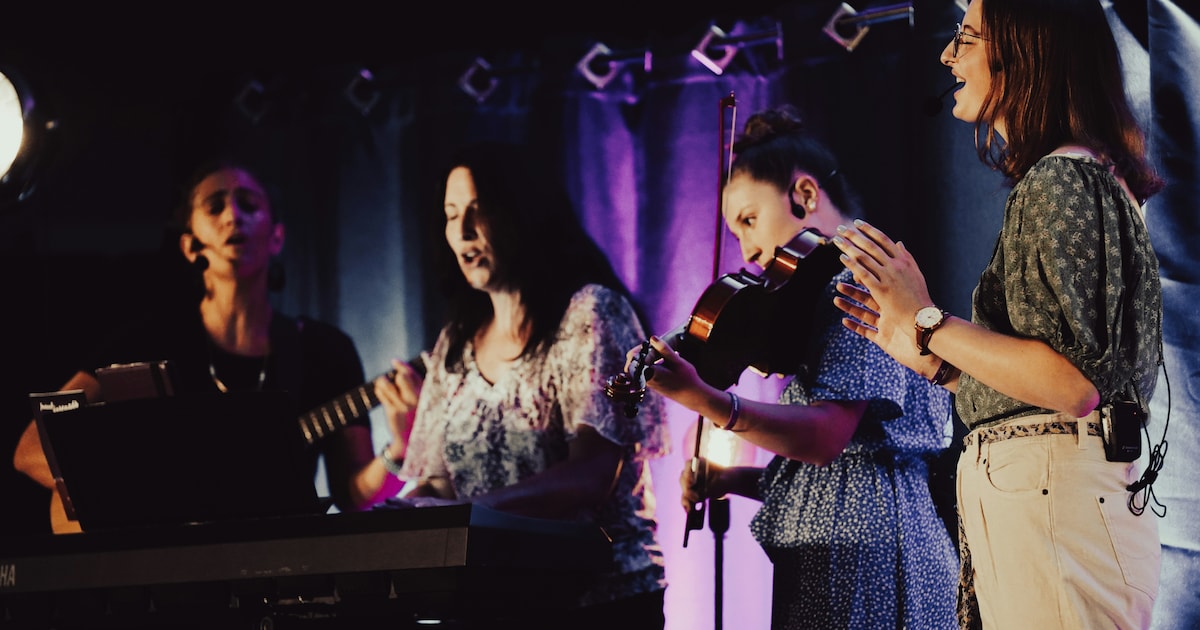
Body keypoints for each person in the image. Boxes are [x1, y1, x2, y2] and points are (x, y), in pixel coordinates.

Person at [831, 0, 1166, 627]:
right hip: (1055, 497)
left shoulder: (1060, 180)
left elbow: (1073, 385)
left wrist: (928, 318)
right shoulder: (1082, 177)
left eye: (967, 36)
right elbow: (1052, 381)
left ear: (1024, 52)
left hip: (1052, 500)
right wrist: (940, 364)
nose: (947, 54)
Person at [628, 104, 958, 629]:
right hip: (842, 548)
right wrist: (732, 478)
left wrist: (708, 400)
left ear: (804, 195)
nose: (748, 250)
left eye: (750, 220)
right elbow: (825, 476)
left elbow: (828, 439)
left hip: (870, 553)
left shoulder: (858, 280)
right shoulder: (814, 297)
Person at [12, 159, 409, 533]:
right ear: (190, 246)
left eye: (249, 205)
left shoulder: (325, 350)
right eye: (215, 206)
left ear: (276, 237)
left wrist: (400, 449)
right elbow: (32, 448)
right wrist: (135, 489)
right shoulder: (146, 341)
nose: (234, 216)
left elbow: (354, 497)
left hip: (277, 567)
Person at [372, 141, 670, 628]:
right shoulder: (456, 342)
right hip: (492, 603)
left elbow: (590, 476)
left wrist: (462, 513)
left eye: (478, 210)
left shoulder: (590, 313)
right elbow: (437, 483)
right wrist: (388, 518)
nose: (463, 230)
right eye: (451, 214)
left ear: (523, 212)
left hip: (600, 603)